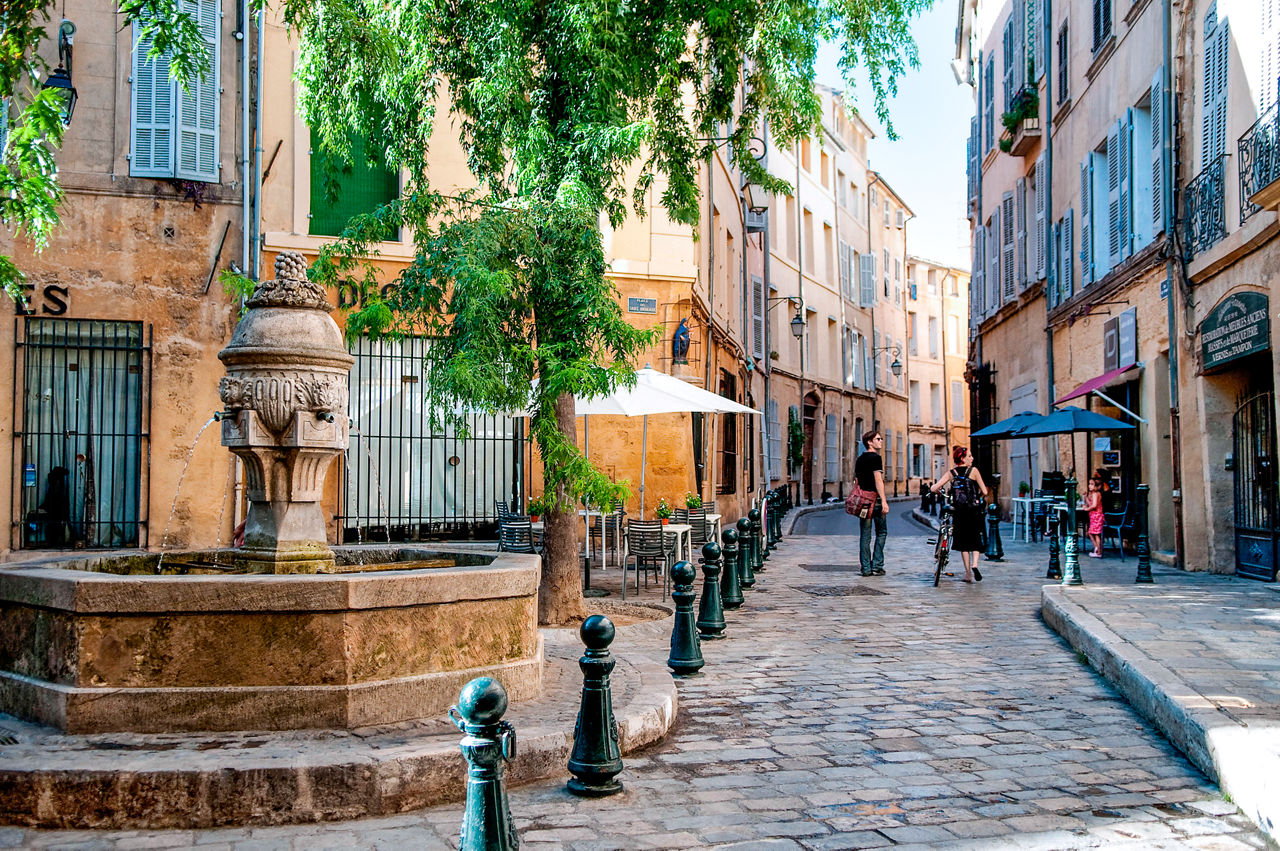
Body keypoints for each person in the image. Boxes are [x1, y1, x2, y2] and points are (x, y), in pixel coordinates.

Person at [930, 446, 989, 582]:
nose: (972, 458)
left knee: (964, 543)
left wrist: (939, 492)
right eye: (969, 456)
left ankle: (967, 573)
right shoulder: (974, 471)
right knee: (975, 540)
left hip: (959, 512)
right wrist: (977, 495)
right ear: (962, 458)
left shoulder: (952, 473)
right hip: (973, 511)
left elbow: (934, 487)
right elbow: (985, 492)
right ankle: (975, 565)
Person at [854, 430, 889, 576]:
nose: (881, 441)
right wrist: (884, 501)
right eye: (878, 439)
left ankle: (866, 568)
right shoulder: (876, 458)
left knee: (865, 535)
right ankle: (877, 565)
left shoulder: (860, 459)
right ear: (870, 442)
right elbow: (878, 480)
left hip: (863, 501)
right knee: (881, 532)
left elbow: (856, 481)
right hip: (876, 500)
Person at [1084, 477, 1105, 557]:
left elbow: (1094, 505)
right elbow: (1091, 503)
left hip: (1096, 516)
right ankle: (1097, 548)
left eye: (1092, 484)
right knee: (1091, 533)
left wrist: (1087, 509)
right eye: (1089, 484)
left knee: (1096, 534)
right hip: (1094, 516)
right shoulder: (1093, 494)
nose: (1090, 486)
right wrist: (1086, 497)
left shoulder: (1096, 494)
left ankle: (1098, 551)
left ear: (1097, 486)